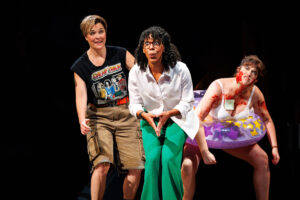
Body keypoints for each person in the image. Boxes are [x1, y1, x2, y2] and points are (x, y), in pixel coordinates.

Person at [181, 55, 280, 200]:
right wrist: (204, 150)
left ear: (256, 80)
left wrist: (275, 147)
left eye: (254, 72)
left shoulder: (255, 94)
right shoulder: (219, 87)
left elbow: (267, 119)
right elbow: (197, 118)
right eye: (246, 68)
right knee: (188, 165)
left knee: (262, 159)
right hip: (203, 132)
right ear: (238, 70)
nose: (249, 73)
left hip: (230, 134)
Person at [128, 26, 211, 200]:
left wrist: (170, 113)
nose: (151, 48)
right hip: (150, 120)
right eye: (147, 44)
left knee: (168, 159)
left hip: (177, 119)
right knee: (152, 161)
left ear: (164, 46)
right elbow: (134, 103)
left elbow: (188, 101)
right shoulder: (137, 71)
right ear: (142, 48)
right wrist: (144, 115)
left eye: (156, 43)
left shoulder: (180, 69)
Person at [70, 15, 144, 200]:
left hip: (127, 113)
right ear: (85, 36)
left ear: (106, 32)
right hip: (98, 116)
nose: (97, 36)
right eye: (92, 33)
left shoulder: (119, 53)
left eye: (100, 31)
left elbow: (141, 74)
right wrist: (81, 119)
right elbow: (80, 94)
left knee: (136, 168)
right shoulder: (81, 66)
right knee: (102, 164)